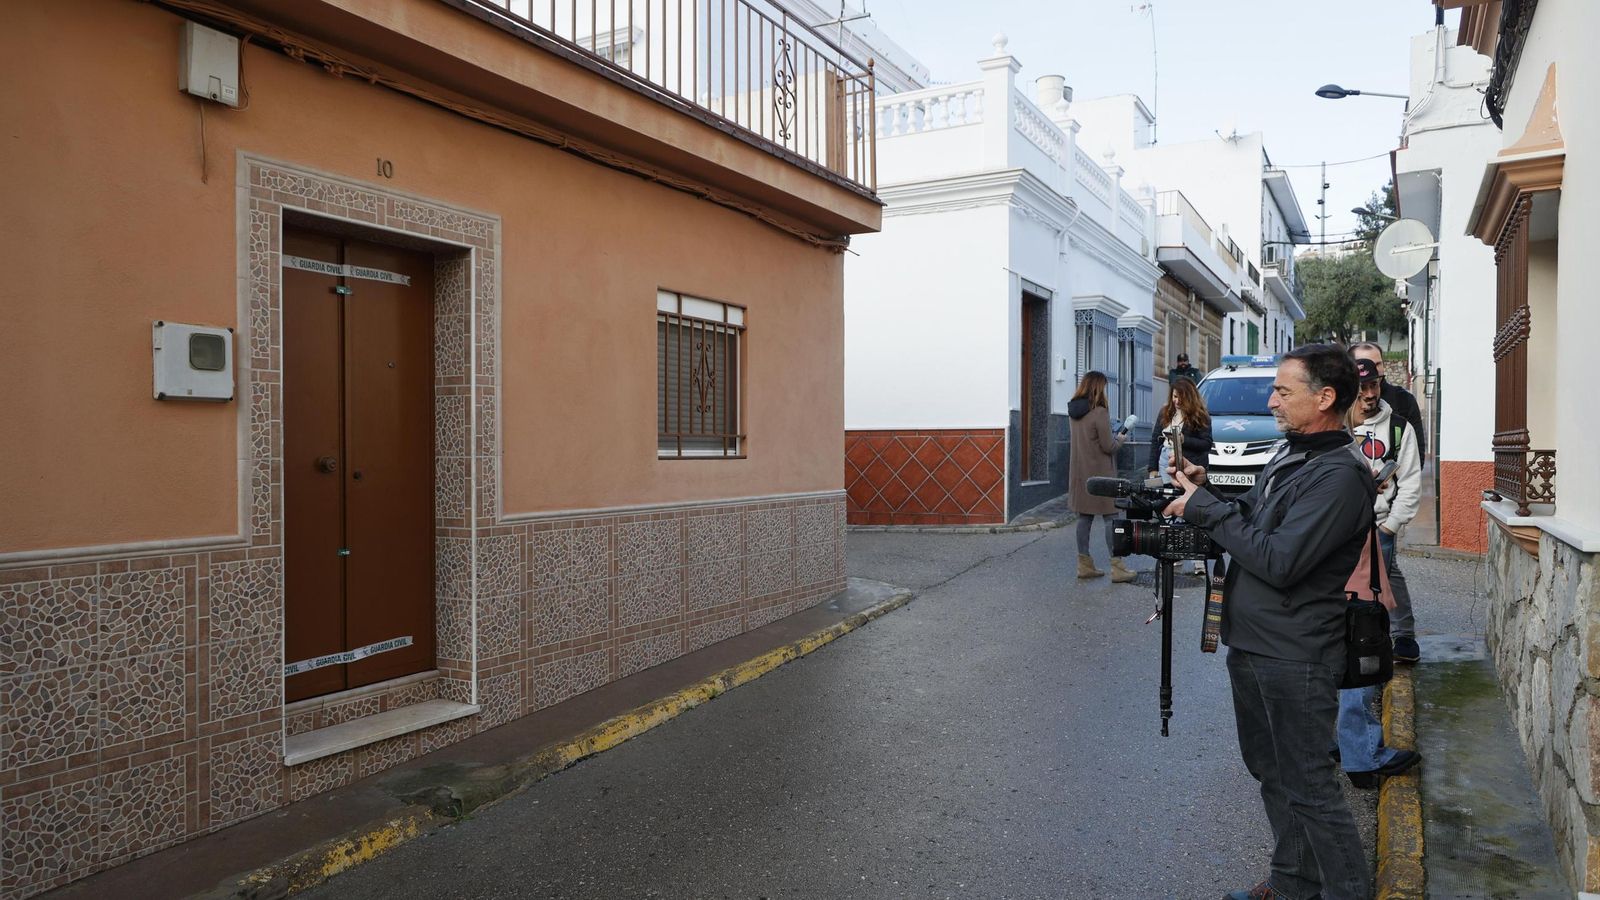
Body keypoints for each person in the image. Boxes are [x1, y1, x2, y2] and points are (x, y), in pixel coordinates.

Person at [1163, 344, 1376, 900]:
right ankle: (1291, 887)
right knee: (1274, 775)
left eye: (1283, 390)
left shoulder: (1342, 475)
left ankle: (1351, 891)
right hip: (1253, 643)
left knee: (1309, 786)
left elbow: (1281, 561)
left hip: (1296, 654)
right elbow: (1254, 518)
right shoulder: (1294, 453)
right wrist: (1203, 486)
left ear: (1325, 398)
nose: (1271, 399)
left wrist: (1202, 509)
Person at [1336, 357, 1424, 789]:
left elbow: (1411, 479)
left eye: (1374, 388)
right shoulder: (1334, 437)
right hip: (1347, 550)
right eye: (1360, 390)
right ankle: (1361, 753)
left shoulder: (1395, 426)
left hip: (1372, 537)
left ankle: (1346, 745)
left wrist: (1389, 526)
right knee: (1360, 643)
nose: (1368, 397)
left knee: (1355, 642)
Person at [1068, 371, 1136, 584]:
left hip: (1080, 473)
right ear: (1099, 388)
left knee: (1084, 518)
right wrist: (1121, 439)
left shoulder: (1074, 412)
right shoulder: (1099, 413)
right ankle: (1117, 567)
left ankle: (1084, 565)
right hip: (1102, 474)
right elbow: (1109, 446)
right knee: (1111, 518)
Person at [1148, 377, 1215, 575]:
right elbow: (1155, 440)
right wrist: (1151, 468)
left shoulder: (1201, 416)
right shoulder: (1165, 412)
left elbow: (1206, 444)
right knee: (1167, 506)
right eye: (1174, 396)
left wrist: (1185, 440)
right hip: (1164, 461)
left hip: (1189, 464)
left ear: (1190, 397)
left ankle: (1198, 560)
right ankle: (1174, 554)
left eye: (1181, 397)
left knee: (1192, 508)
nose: (1176, 401)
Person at [1349, 341, 1425, 460]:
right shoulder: (1341, 406)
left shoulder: (1403, 400)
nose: (1373, 370)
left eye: (1378, 364)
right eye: (1365, 364)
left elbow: (1416, 455)